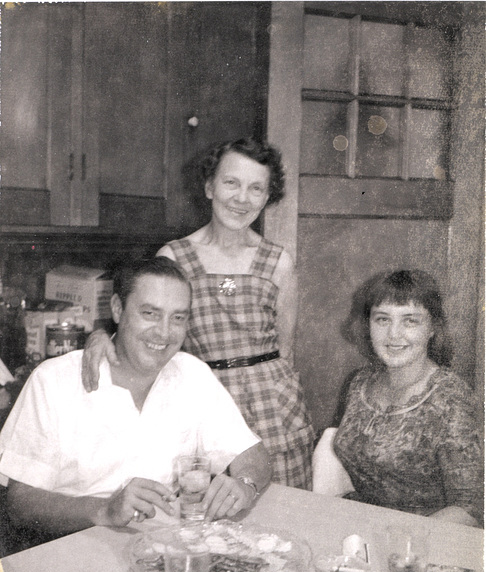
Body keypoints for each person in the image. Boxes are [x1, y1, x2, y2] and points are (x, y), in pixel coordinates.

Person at [82, 138, 314, 489]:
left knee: (281, 512)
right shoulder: (175, 256)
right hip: (201, 401)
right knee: (201, 516)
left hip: (274, 408)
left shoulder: (280, 262)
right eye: (231, 183)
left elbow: (287, 349)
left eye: (256, 189)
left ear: (268, 197)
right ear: (209, 187)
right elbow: (144, 325)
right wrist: (100, 336)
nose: (241, 198)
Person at [0, 257, 272, 543]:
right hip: (70, 552)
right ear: (117, 309)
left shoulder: (192, 374)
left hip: (161, 549)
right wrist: (104, 509)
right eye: (150, 314)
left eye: (178, 317)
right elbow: (20, 502)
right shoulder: (54, 381)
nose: (164, 333)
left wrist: (245, 484)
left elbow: (254, 455)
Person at [316, 269, 483, 527]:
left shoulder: (451, 397)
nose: (394, 335)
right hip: (364, 526)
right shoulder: (360, 382)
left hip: (425, 542)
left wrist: (400, 541)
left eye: (410, 321)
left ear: (432, 328)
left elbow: (469, 508)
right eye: (382, 319)